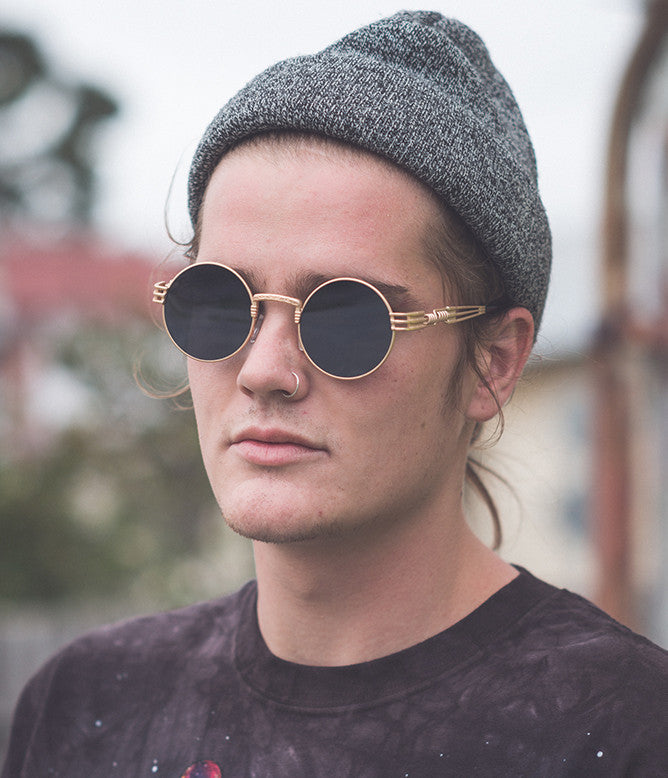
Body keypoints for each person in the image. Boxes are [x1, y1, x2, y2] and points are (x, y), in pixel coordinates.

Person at [3, 11, 666, 778]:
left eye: (348, 317)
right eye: (219, 303)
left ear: (494, 361)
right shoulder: (86, 709)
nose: (264, 371)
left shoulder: (621, 731)